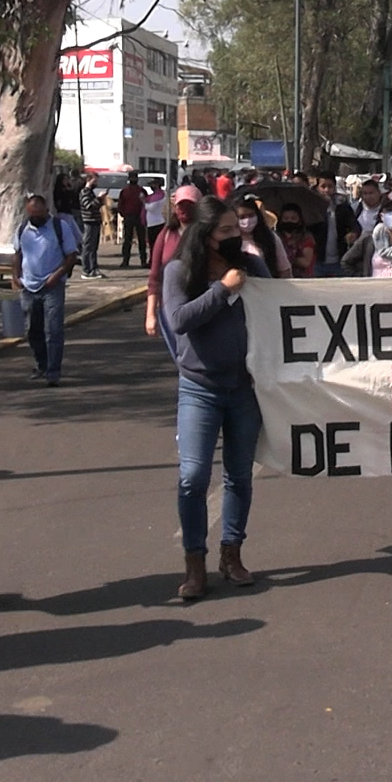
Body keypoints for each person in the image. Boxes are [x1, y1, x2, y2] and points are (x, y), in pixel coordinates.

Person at [161, 197, 270, 600]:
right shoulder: (178, 271)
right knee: (193, 477)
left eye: (237, 228)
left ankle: (231, 553)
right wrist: (222, 290)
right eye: (226, 230)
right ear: (204, 235)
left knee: (239, 475)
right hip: (199, 389)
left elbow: (281, 304)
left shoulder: (251, 266)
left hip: (244, 389)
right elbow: (180, 320)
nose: (235, 235)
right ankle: (195, 564)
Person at [15, 192, 79, 385]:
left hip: (52, 286)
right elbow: (17, 253)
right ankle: (41, 364)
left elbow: (71, 256)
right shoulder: (23, 228)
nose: (36, 219)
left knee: (53, 330)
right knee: (32, 330)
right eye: (32, 215)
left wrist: (56, 276)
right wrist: (15, 275)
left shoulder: (60, 227)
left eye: (39, 215)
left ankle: (53, 371)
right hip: (29, 287)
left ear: (46, 211)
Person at [145, 184, 202, 339]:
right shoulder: (166, 235)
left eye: (190, 205)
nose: (184, 210)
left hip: (200, 307)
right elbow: (154, 277)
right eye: (181, 205)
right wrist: (150, 314)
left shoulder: (207, 235)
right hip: (169, 309)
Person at [237, 195, 293, 279]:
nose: (247, 220)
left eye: (251, 215)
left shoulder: (271, 237)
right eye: (242, 217)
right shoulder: (230, 240)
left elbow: (284, 270)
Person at [116, 169, 150, 269]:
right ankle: (142, 261)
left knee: (128, 239)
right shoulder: (141, 190)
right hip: (137, 216)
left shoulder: (125, 191)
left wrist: (123, 214)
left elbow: (120, 205)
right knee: (140, 239)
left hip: (131, 216)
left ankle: (126, 261)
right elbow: (146, 203)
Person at [76, 169, 107, 279]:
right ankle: (86, 270)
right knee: (88, 246)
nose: (96, 183)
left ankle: (94, 268)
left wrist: (100, 200)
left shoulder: (90, 192)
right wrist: (99, 199)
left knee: (93, 247)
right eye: (95, 181)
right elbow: (88, 206)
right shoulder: (85, 192)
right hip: (89, 222)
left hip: (95, 222)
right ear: (89, 180)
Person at [278, 205, 319, 277]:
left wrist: (289, 257)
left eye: (293, 218)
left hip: (302, 277)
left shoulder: (306, 237)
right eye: (285, 218)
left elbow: (306, 262)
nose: (289, 221)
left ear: (299, 220)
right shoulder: (276, 236)